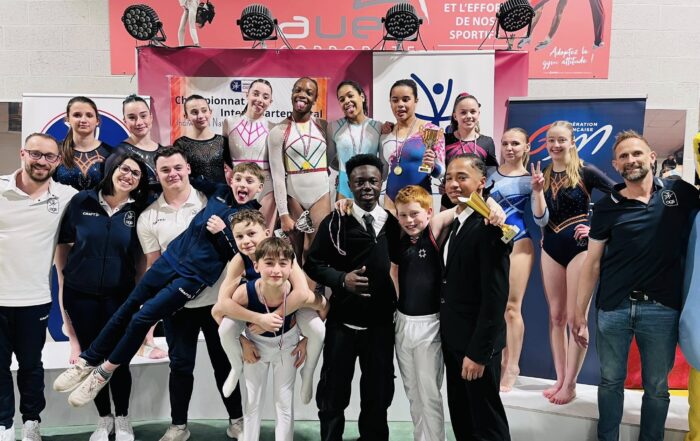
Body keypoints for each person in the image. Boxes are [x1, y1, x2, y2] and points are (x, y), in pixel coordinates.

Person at [52, 162, 264, 409]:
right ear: (231, 180)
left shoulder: (251, 217)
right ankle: (86, 361)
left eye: (250, 181)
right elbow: (184, 179)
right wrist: (165, 174)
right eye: (239, 179)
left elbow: (242, 254)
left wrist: (223, 232)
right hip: (170, 259)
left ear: (259, 187)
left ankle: (103, 372)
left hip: (193, 278)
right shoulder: (219, 192)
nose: (242, 185)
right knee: (129, 306)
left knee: (143, 317)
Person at [572, 131, 699, 441]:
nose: (631, 160)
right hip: (613, 308)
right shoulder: (606, 207)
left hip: (662, 310)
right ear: (616, 165)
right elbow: (592, 263)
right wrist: (579, 313)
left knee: (657, 387)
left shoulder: (679, 193)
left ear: (652, 157)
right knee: (610, 382)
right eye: (624, 156)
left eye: (637, 153)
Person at [135, 147, 244, 441]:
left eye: (177, 167)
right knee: (181, 366)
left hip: (218, 304)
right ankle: (178, 426)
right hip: (178, 307)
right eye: (165, 170)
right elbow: (154, 266)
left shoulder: (213, 201)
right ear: (157, 174)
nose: (173, 174)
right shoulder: (148, 217)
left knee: (225, 363)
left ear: (188, 169)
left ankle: (237, 421)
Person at [304, 154, 401, 441]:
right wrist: (341, 279)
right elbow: (313, 264)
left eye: (373, 180)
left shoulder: (392, 224)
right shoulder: (335, 221)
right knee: (332, 393)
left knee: (378, 394)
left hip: (380, 326)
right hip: (342, 324)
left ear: (381, 182)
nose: (367, 186)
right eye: (360, 181)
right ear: (349, 184)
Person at [55, 153, 150, 441]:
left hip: (119, 297)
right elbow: (63, 247)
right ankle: (104, 418)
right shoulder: (82, 201)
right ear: (111, 169)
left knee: (117, 359)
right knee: (91, 357)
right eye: (124, 169)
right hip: (80, 295)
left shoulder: (138, 209)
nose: (129, 176)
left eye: (136, 173)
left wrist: (139, 296)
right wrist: (64, 283)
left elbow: (141, 258)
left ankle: (122, 418)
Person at [0, 133, 77, 441]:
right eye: (35, 154)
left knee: (31, 366)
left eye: (49, 157)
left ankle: (32, 422)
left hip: (35, 300)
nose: (42, 161)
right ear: (23, 153)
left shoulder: (66, 196)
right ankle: (4, 425)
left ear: (57, 161)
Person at [212, 209, 325, 405]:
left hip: (288, 305)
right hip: (259, 306)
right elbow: (220, 306)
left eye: (251, 233)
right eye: (239, 237)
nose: (246, 241)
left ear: (266, 233)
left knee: (317, 325)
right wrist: (247, 335)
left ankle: (308, 373)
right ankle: (236, 365)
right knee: (224, 327)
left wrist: (275, 319)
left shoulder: (281, 250)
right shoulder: (240, 260)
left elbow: (302, 293)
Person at [540, 120, 614, 405]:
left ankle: (571, 384)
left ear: (572, 142)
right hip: (550, 247)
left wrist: (595, 229)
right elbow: (540, 212)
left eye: (561, 140)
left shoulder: (586, 171)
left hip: (579, 248)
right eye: (551, 140)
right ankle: (560, 378)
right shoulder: (544, 173)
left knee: (575, 319)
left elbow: (619, 194)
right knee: (556, 317)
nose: (556, 145)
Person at [222, 236, 326, 441]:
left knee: (284, 404)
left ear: (291, 267)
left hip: (287, 349)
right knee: (252, 403)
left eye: (283, 264)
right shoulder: (244, 293)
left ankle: (308, 372)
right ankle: (236, 366)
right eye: (269, 263)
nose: (276, 270)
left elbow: (324, 306)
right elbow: (221, 315)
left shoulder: (297, 293)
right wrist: (243, 342)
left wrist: (306, 340)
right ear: (256, 266)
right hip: (256, 350)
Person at [441, 153, 511, 440]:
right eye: (448, 178)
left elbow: (495, 297)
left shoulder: (489, 227)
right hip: (455, 341)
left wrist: (478, 353)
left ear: (482, 182)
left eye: (461, 177)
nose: (453, 184)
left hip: (476, 347)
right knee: (463, 420)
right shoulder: (456, 222)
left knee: (487, 425)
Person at [486, 128, 548, 392]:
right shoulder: (489, 174)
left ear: (527, 147)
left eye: (515, 143)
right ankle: (496, 359)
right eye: (505, 143)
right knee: (493, 307)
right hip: (489, 245)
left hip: (519, 243)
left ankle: (512, 365)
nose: (509, 148)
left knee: (512, 308)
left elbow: (541, 219)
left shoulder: (531, 179)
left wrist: (538, 191)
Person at [392, 185, 455, 441]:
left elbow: (463, 208)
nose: (409, 220)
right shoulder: (398, 236)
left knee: (429, 395)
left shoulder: (433, 229)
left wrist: (493, 207)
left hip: (429, 324)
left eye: (415, 214)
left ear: (429, 212)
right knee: (413, 394)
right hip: (402, 323)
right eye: (403, 215)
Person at [268, 77, 330, 262]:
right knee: (295, 253)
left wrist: (382, 128)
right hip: (294, 196)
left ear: (315, 99)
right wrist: (283, 214)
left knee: (316, 251)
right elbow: (278, 175)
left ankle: (312, 284)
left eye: (309, 93)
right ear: (292, 94)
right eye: (298, 90)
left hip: (321, 194)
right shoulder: (278, 132)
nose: (302, 95)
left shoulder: (324, 126)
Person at [381, 79, 445, 214]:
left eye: (406, 99)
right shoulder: (386, 134)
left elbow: (441, 172)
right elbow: (383, 171)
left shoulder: (431, 131)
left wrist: (433, 166)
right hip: (391, 202)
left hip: (420, 204)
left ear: (416, 100)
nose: (400, 104)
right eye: (395, 100)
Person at [223, 79, 277, 229]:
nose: (260, 100)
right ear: (247, 94)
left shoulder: (273, 127)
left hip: (265, 187)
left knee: (262, 232)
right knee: (237, 230)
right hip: (238, 185)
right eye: (256, 94)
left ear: (270, 102)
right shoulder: (229, 122)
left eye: (265, 97)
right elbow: (225, 156)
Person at [327, 80, 383, 200]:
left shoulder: (378, 127)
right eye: (342, 99)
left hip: (369, 189)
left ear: (362, 96)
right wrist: (343, 171)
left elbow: (384, 163)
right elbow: (329, 160)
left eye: (350, 95)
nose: (347, 101)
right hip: (344, 189)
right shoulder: (333, 127)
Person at [441, 93, 497, 209]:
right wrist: (444, 183)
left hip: (477, 202)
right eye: (463, 112)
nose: (469, 116)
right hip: (450, 200)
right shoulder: (444, 140)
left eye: (473, 111)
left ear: (478, 114)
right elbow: (438, 169)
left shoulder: (487, 142)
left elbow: (492, 172)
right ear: (455, 116)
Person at [108, 95, 164, 194]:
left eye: (143, 116)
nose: (139, 122)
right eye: (132, 117)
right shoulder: (119, 153)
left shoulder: (164, 152)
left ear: (151, 117)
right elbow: (110, 191)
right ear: (125, 121)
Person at [54, 96, 112, 191]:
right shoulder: (55, 150)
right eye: (77, 115)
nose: (83, 120)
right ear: (67, 119)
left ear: (97, 121)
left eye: (89, 115)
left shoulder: (111, 153)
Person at [174, 95, 229, 185]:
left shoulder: (222, 141)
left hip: (221, 192)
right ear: (186, 116)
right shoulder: (180, 144)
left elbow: (236, 168)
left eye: (204, 111)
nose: (200, 116)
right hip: (194, 193)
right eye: (194, 112)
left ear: (210, 112)